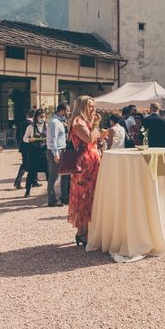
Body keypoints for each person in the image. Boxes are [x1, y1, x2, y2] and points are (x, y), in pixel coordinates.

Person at [68, 95, 102, 247]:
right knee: (83, 196)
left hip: (92, 162)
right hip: (84, 164)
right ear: (81, 107)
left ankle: (85, 231)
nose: (93, 109)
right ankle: (82, 233)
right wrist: (96, 124)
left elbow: (94, 139)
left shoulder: (86, 122)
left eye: (94, 106)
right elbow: (88, 139)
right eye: (90, 106)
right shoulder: (78, 122)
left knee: (91, 195)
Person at [46, 103, 70, 207]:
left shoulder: (61, 122)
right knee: (53, 177)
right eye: (68, 110)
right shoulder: (54, 122)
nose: (69, 113)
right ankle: (52, 200)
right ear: (62, 111)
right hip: (55, 151)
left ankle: (64, 198)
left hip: (62, 150)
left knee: (65, 175)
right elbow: (53, 139)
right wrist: (56, 154)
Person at [22, 108, 48, 198]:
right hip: (34, 152)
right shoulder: (31, 127)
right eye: (41, 117)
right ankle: (27, 191)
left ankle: (49, 190)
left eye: (44, 117)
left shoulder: (47, 126)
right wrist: (30, 139)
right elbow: (24, 138)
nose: (43, 118)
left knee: (47, 171)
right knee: (31, 172)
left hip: (44, 151)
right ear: (36, 117)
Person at [14, 110, 34, 189]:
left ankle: (34, 181)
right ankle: (17, 181)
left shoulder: (20, 124)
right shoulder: (32, 125)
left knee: (29, 163)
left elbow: (17, 137)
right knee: (25, 164)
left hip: (23, 147)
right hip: (30, 147)